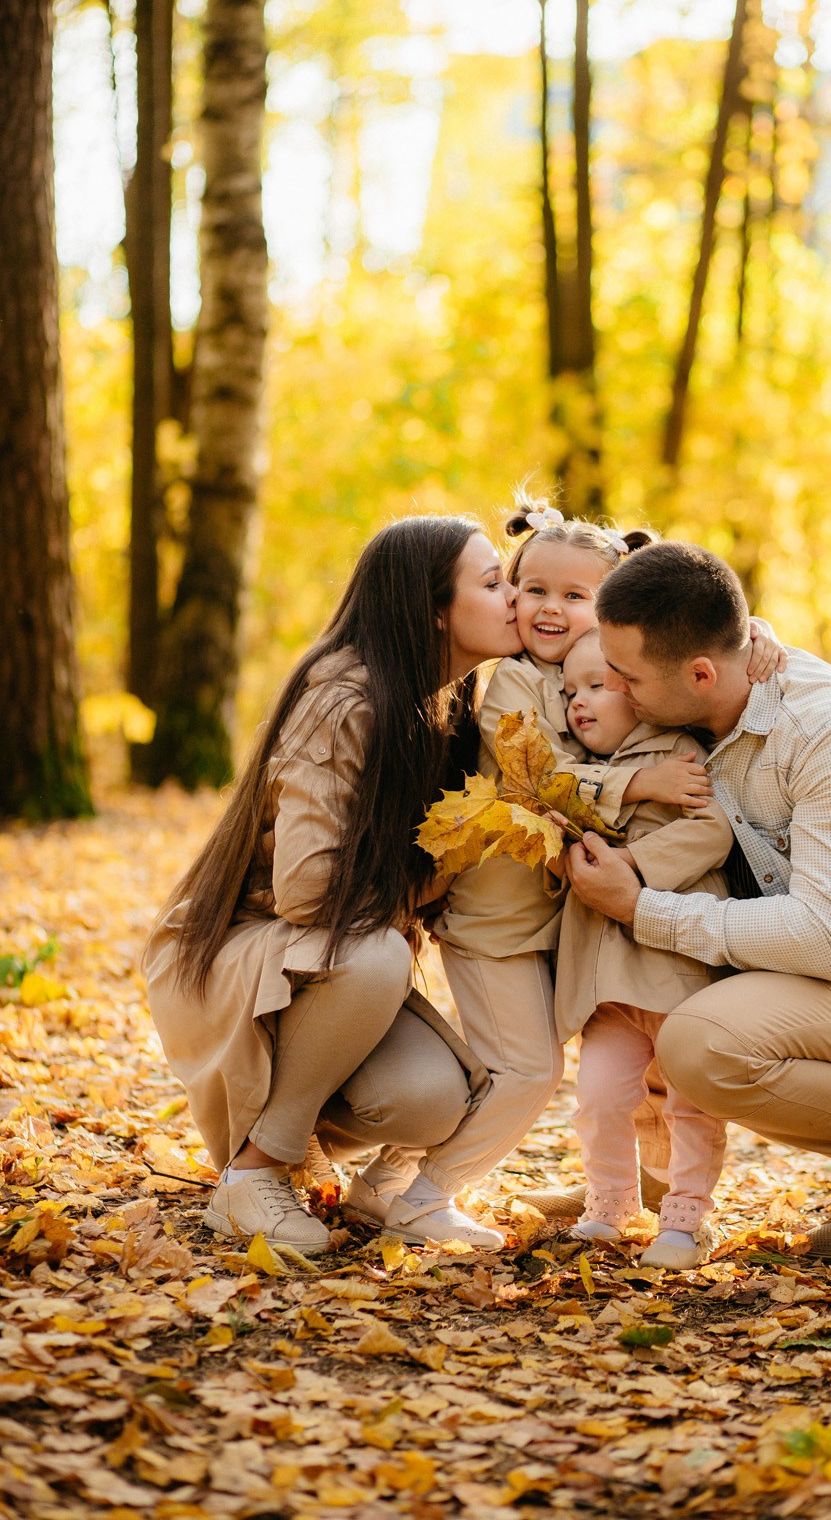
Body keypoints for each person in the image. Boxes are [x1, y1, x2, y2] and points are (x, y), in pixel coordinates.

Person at [565, 541, 831, 1259]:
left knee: (700, 1044)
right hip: (807, 984)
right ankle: (628, 1177)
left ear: (702, 673)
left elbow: (826, 940)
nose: (613, 686)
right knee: (659, 1015)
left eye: (626, 675)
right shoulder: (704, 688)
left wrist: (640, 909)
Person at [145, 515, 521, 1254]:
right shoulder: (342, 700)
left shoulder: (445, 709)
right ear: (433, 610)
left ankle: (350, 1173)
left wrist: (757, 653)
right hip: (238, 949)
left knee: (429, 1100)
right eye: (493, 582)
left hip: (316, 957)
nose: (513, 597)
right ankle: (254, 1176)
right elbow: (307, 891)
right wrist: (428, 884)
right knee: (378, 953)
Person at [384, 505, 713, 1247]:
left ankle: (386, 1187)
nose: (550, 609)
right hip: (494, 922)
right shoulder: (513, 684)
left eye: (575, 596)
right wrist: (637, 786)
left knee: (513, 1067)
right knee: (527, 1072)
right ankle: (425, 1197)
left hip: (561, 927)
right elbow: (537, 780)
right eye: (533, 589)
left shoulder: (611, 682)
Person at [553, 630, 733, 1269]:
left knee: (691, 1102)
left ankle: (686, 1216)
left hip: (678, 975)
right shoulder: (570, 769)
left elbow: (712, 831)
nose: (579, 702)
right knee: (600, 1097)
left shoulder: (682, 752)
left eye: (597, 685)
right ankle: (610, 1201)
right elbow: (548, 798)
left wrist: (633, 864)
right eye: (569, 690)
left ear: (635, 688)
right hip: (611, 985)